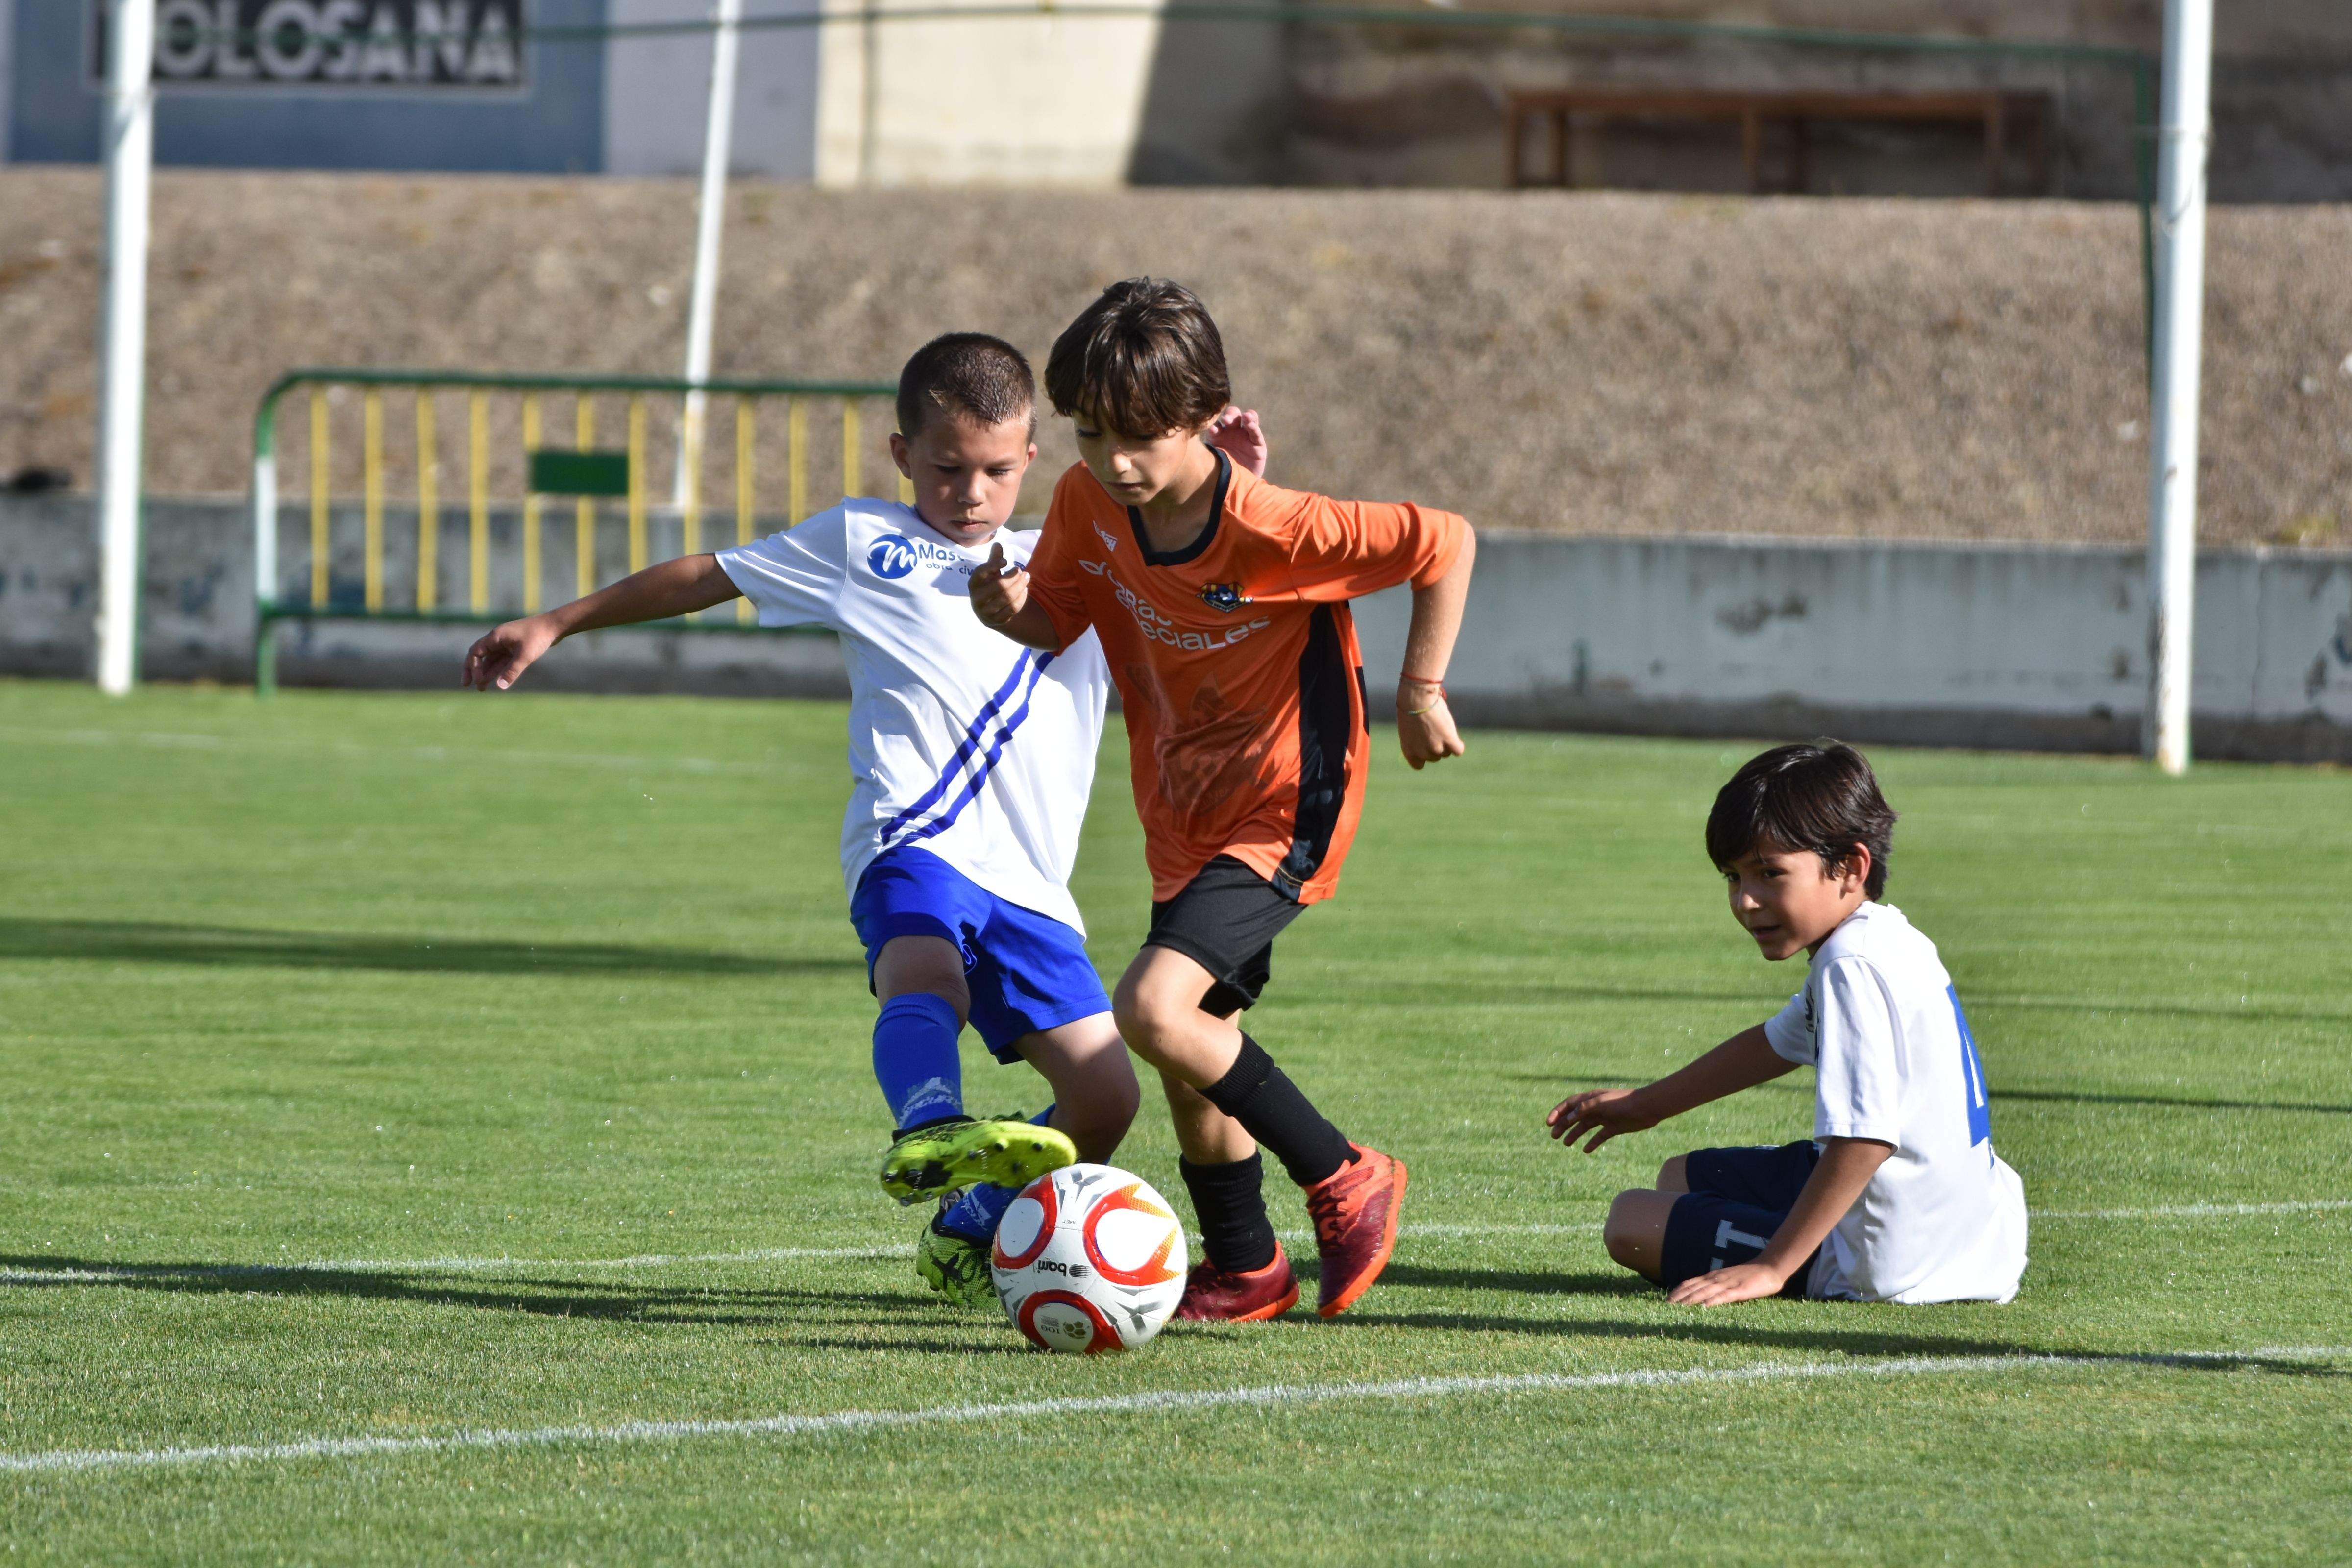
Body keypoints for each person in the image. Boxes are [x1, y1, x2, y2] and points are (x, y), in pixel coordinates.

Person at [462, 332, 1261, 1306]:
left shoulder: (1081, 555)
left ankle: (974, 1216)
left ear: (1031, 458)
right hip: (910, 836)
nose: (971, 493)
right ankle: (929, 1123)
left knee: (1105, 1099)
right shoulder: (861, 543)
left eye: (997, 471)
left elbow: (1203, 575)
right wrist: (556, 621)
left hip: (1032, 881)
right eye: (947, 468)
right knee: (924, 970)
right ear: (902, 455)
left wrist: (1232, 490)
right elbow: (711, 574)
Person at [970, 278, 1476, 1322]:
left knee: (1153, 1008)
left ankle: (1345, 1173)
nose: (1115, 459)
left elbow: (1445, 541)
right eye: (1092, 432)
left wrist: (1421, 689)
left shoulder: (1275, 526)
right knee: (1191, 1044)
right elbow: (1057, 618)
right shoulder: (1088, 503)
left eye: (1140, 435)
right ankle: (1248, 1268)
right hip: (1181, 810)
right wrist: (1007, 606)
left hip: (1287, 799)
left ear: (1202, 415)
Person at [1548, 741, 2029, 1306]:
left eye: (1769, 873)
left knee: (1631, 1222)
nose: (1747, 901)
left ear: (1851, 867)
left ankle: (1812, 1262)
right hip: (1967, 1229)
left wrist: (1771, 1267)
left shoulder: (1850, 965)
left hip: (1892, 1259)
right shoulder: (1885, 937)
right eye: (1733, 877)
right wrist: (1646, 1105)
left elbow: (1865, 1139)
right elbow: (1773, 1043)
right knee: (1680, 1177)